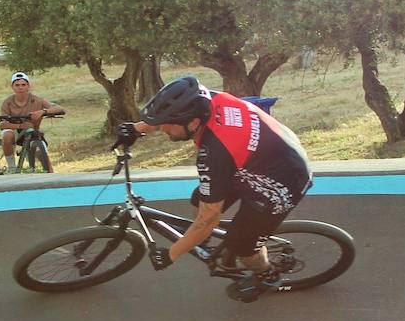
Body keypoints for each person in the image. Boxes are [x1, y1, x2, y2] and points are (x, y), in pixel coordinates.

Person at [130, 75, 312, 301]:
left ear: (193, 123)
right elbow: (170, 116)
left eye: (167, 125)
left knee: (243, 245)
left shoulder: (214, 153)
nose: (163, 128)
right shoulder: (207, 101)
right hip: (264, 154)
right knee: (199, 198)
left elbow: (209, 218)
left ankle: (267, 275)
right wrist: (136, 129)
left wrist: (171, 255)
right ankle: (201, 239)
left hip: (283, 180)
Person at [0, 72, 65, 173]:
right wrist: (20, 125)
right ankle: (11, 167)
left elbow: (60, 108)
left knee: (41, 152)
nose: (20, 88)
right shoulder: (7, 102)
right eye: (17, 85)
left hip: (32, 132)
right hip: (14, 131)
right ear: (12, 87)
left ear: (28, 86)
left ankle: (51, 175)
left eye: (23, 85)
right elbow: (3, 125)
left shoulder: (37, 100)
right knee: (7, 134)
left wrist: (43, 112)